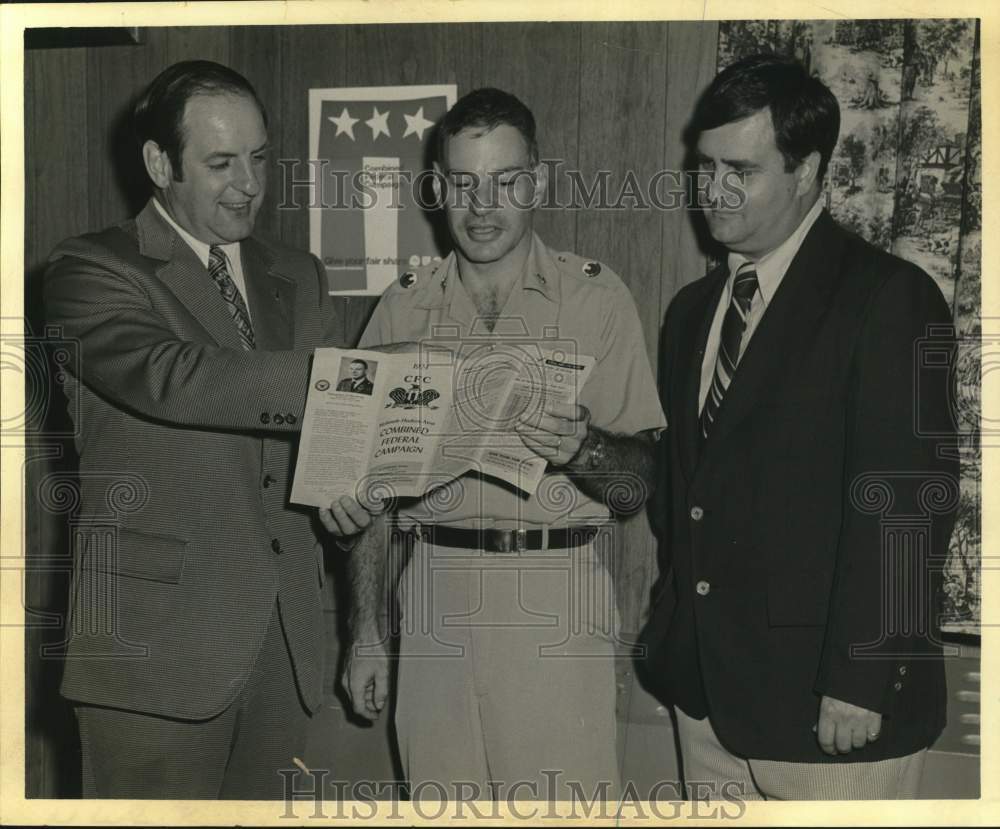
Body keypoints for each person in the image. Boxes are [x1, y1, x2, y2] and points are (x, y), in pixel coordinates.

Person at [320, 87, 666, 801]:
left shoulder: (597, 299)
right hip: (432, 589)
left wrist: (584, 448)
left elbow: (639, 489)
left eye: (505, 182)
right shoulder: (403, 305)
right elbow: (370, 493)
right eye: (463, 183)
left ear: (536, 182)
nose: (482, 206)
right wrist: (365, 631)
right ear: (437, 187)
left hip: (555, 587)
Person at [640, 54, 958, 800]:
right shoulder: (692, 311)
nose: (714, 191)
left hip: (835, 711)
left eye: (741, 171)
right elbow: (689, 496)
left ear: (808, 171)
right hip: (706, 700)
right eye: (705, 166)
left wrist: (861, 677)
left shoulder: (889, 296)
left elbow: (909, 503)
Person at [45, 60, 349, 799]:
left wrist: (354, 483)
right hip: (155, 653)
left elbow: (330, 440)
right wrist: (356, 378)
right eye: (220, 163)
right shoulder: (89, 269)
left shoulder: (300, 273)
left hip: (282, 645)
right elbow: (175, 376)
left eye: (259, 158)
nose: (249, 184)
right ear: (160, 164)